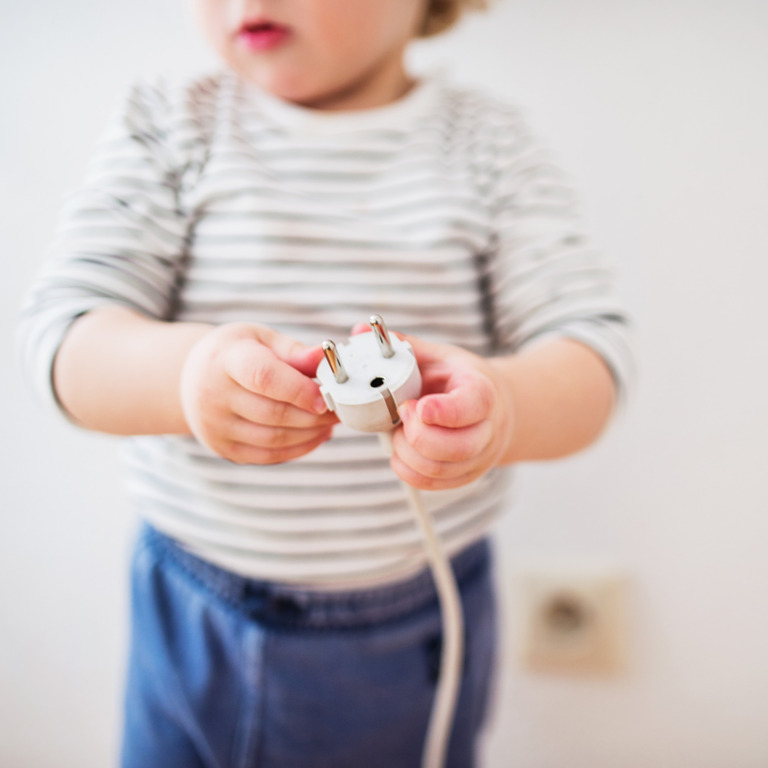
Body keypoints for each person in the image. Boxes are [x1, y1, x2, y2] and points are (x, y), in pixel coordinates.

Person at [17, 0, 634, 766]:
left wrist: (502, 409)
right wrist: (187, 379)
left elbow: (591, 358)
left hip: (413, 624)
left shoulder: (488, 146)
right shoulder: (171, 124)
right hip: (189, 605)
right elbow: (66, 343)